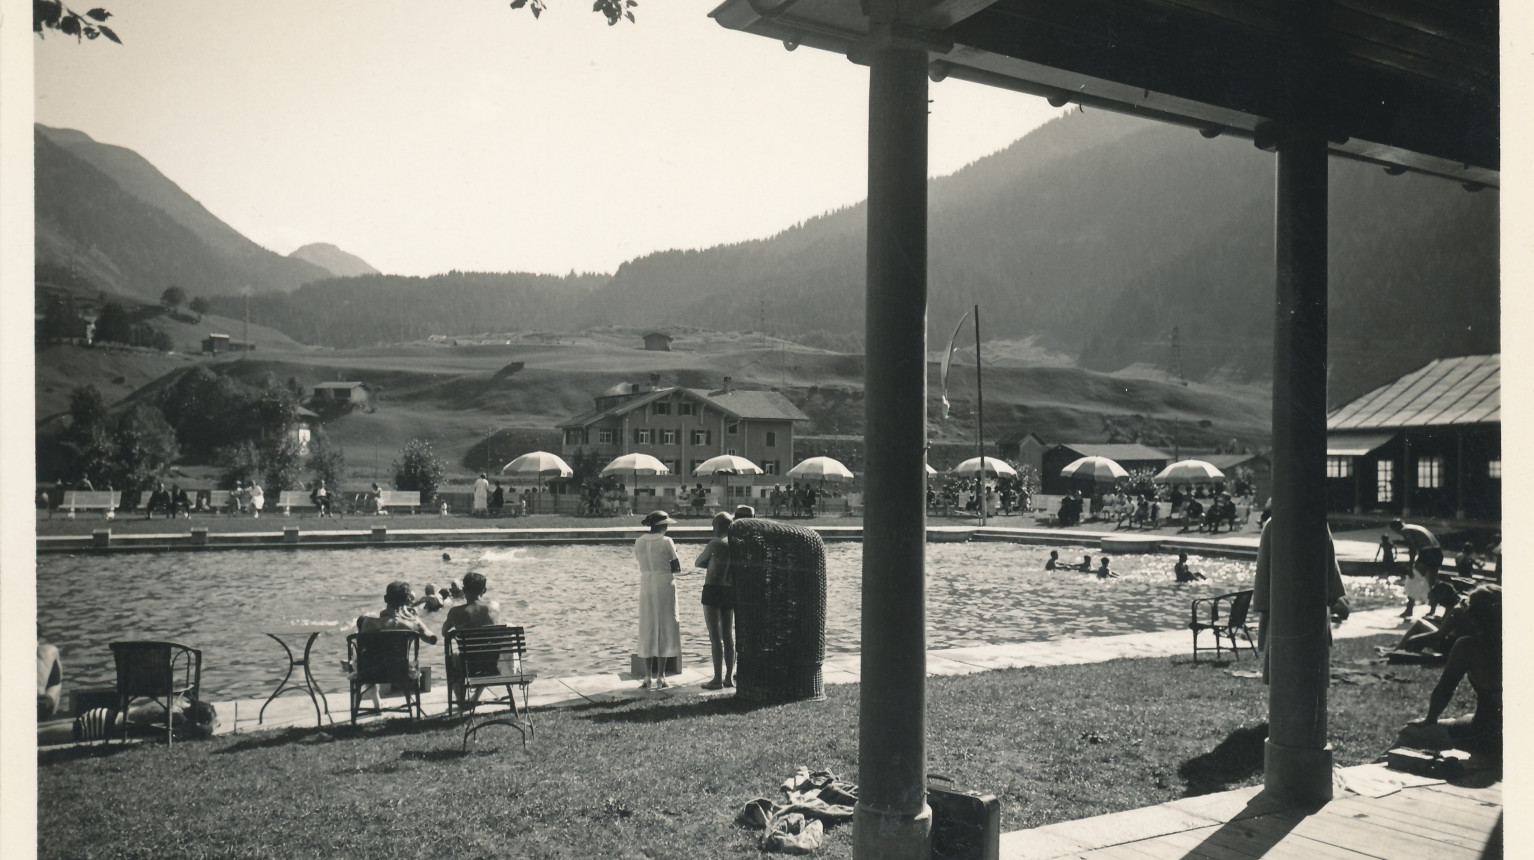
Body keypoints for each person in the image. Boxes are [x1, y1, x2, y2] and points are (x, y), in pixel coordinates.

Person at [1401, 584, 1501, 757]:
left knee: (1409, 732)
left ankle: (1361, 778)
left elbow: (1445, 690)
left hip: (1486, 733)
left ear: (1475, 616)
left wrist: (1429, 719)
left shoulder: (1469, 646)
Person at [1252, 518, 1350, 683]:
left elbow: (1328, 560)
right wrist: (1333, 596)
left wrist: (1332, 596)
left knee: (1302, 673)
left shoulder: (1277, 523)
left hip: (1302, 604)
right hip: (1289, 603)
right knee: (1289, 671)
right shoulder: (1276, 524)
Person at [634, 510, 683, 690]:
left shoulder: (639, 541)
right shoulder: (667, 541)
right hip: (664, 582)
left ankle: (647, 676)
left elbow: (641, 561)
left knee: (648, 625)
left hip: (647, 582)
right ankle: (661, 676)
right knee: (666, 625)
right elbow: (676, 566)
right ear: (662, 526)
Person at [694, 512, 736, 690]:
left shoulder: (715, 543)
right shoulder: (736, 544)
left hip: (713, 589)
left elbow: (698, 562)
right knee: (728, 635)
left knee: (715, 637)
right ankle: (729, 678)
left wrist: (710, 563)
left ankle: (717, 679)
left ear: (718, 526)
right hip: (729, 590)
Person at [1391, 518, 1443, 617]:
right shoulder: (1413, 527)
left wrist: (1410, 567)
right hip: (1437, 553)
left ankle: (1409, 610)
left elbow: (1412, 549)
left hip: (1427, 553)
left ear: (1395, 528)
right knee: (1431, 584)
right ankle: (1432, 611)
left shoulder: (1405, 530)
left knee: (1412, 580)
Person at [37, 638, 63, 720]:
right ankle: (50, 719)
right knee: (57, 685)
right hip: (40, 706)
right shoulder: (51, 650)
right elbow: (58, 680)